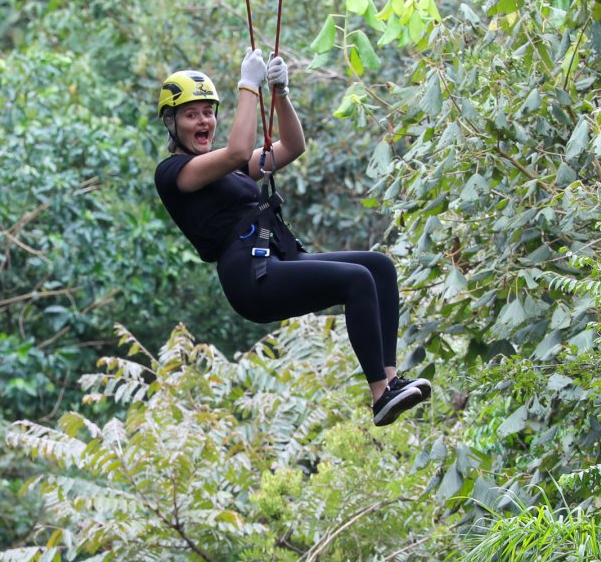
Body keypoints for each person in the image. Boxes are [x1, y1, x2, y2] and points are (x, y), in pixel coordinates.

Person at [154, 48, 432, 426]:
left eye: (208, 112)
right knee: (356, 280)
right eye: (191, 115)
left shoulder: (231, 171)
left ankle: (390, 379)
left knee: (378, 267)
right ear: (172, 124)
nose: (203, 121)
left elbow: (291, 147)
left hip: (277, 258)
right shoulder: (174, 172)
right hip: (250, 277)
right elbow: (237, 150)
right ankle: (379, 395)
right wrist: (247, 85)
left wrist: (281, 94)